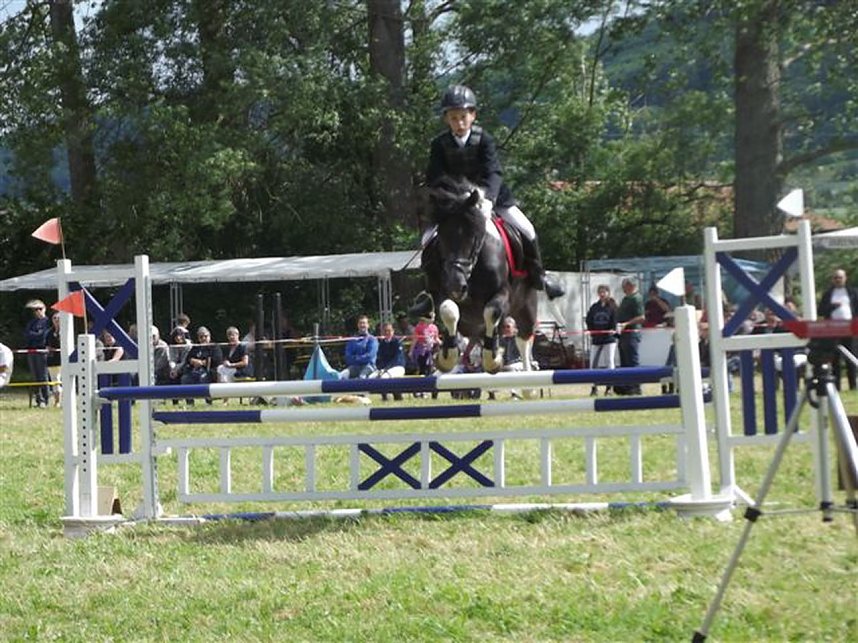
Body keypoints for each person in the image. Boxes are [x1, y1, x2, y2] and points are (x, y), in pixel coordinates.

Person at [424, 84, 564, 299]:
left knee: (528, 229)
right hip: (455, 206)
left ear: (473, 116)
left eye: (463, 117)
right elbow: (435, 178)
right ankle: (430, 294)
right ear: (446, 119)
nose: (459, 123)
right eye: (453, 118)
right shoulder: (439, 144)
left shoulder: (484, 140)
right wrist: (450, 199)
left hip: (492, 199)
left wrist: (488, 198)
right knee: (427, 240)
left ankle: (539, 275)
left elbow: (494, 172)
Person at [818, 268, 858, 390]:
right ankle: (836, 386)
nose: (838, 280)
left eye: (840, 277)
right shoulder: (828, 294)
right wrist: (832, 307)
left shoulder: (853, 292)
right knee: (835, 358)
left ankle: (853, 385)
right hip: (832, 329)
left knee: (851, 356)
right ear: (832, 279)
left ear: (845, 278)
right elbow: (821, 311)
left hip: (849, 328)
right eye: (835, 277)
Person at [585, 284, 618, 396]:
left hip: (609, 339)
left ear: (608, 293)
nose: (602, 294)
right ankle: (594, 387)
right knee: (593, 363)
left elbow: (615, 321)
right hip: (596, 338)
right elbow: (589, 320)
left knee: (609, 362)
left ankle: (610, 387)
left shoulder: (613, 307)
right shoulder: (594, 307)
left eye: (604, 292)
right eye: (600, 292)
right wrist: (591, 330)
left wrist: (612, 329)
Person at [615, 277, 645, 395]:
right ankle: (626, 385)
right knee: (624, 361)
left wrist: (626, 324)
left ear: (630, 286)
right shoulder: (625, 299)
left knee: (632, 360)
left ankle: (635, 386)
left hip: (631, 333)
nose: (623, 288)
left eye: (625, 285)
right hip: (623, 334)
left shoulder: (636, 299)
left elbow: (641, 317)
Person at [23, 299, 51, 408]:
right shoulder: (32, 322)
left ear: (44, 309)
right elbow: (26, 334)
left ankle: (45, 399)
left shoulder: (48, 322)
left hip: (42, 351)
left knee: (43, 376)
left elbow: (43, 335)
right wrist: (36, 335)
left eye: (40, 309)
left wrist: (34, 335)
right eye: (35, 310)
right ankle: (39, 400)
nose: (38, 311)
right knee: (34, 377)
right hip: (31, 350)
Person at [371, 321, 407, 401]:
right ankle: (384, 396)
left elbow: (397, 359)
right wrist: (380, 369)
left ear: (393, 331)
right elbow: (379, 358)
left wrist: (386, 369)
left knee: (384, 377)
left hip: (398, 366)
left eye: (389, 330)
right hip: (385, 368)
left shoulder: (397, 342)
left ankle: (390, 397)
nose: (387, 333)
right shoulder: (382, 343)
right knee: (372, 377)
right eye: (385, 331)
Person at [340, 315, 378, 379]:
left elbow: (369, 356)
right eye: (360, 323)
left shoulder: (372, 339)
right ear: (358, 325)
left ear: (368, 325)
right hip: (355, 367)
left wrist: (356, 358)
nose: (362, 325)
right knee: (342, 376)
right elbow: (348, 357)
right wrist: (358, 359)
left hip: (369, 367)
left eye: (364, 323)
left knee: (361, 378)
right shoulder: (352, 340)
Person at [45, 310, 63, 406]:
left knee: (63, 381)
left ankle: (65, 400)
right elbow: (46, 345)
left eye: (58, 318)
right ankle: (57, 401)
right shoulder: (49, 332)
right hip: (52, 360)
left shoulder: (66, 331)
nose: (56, 320)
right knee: (55, 382)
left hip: (63, 361)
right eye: (54, 318)